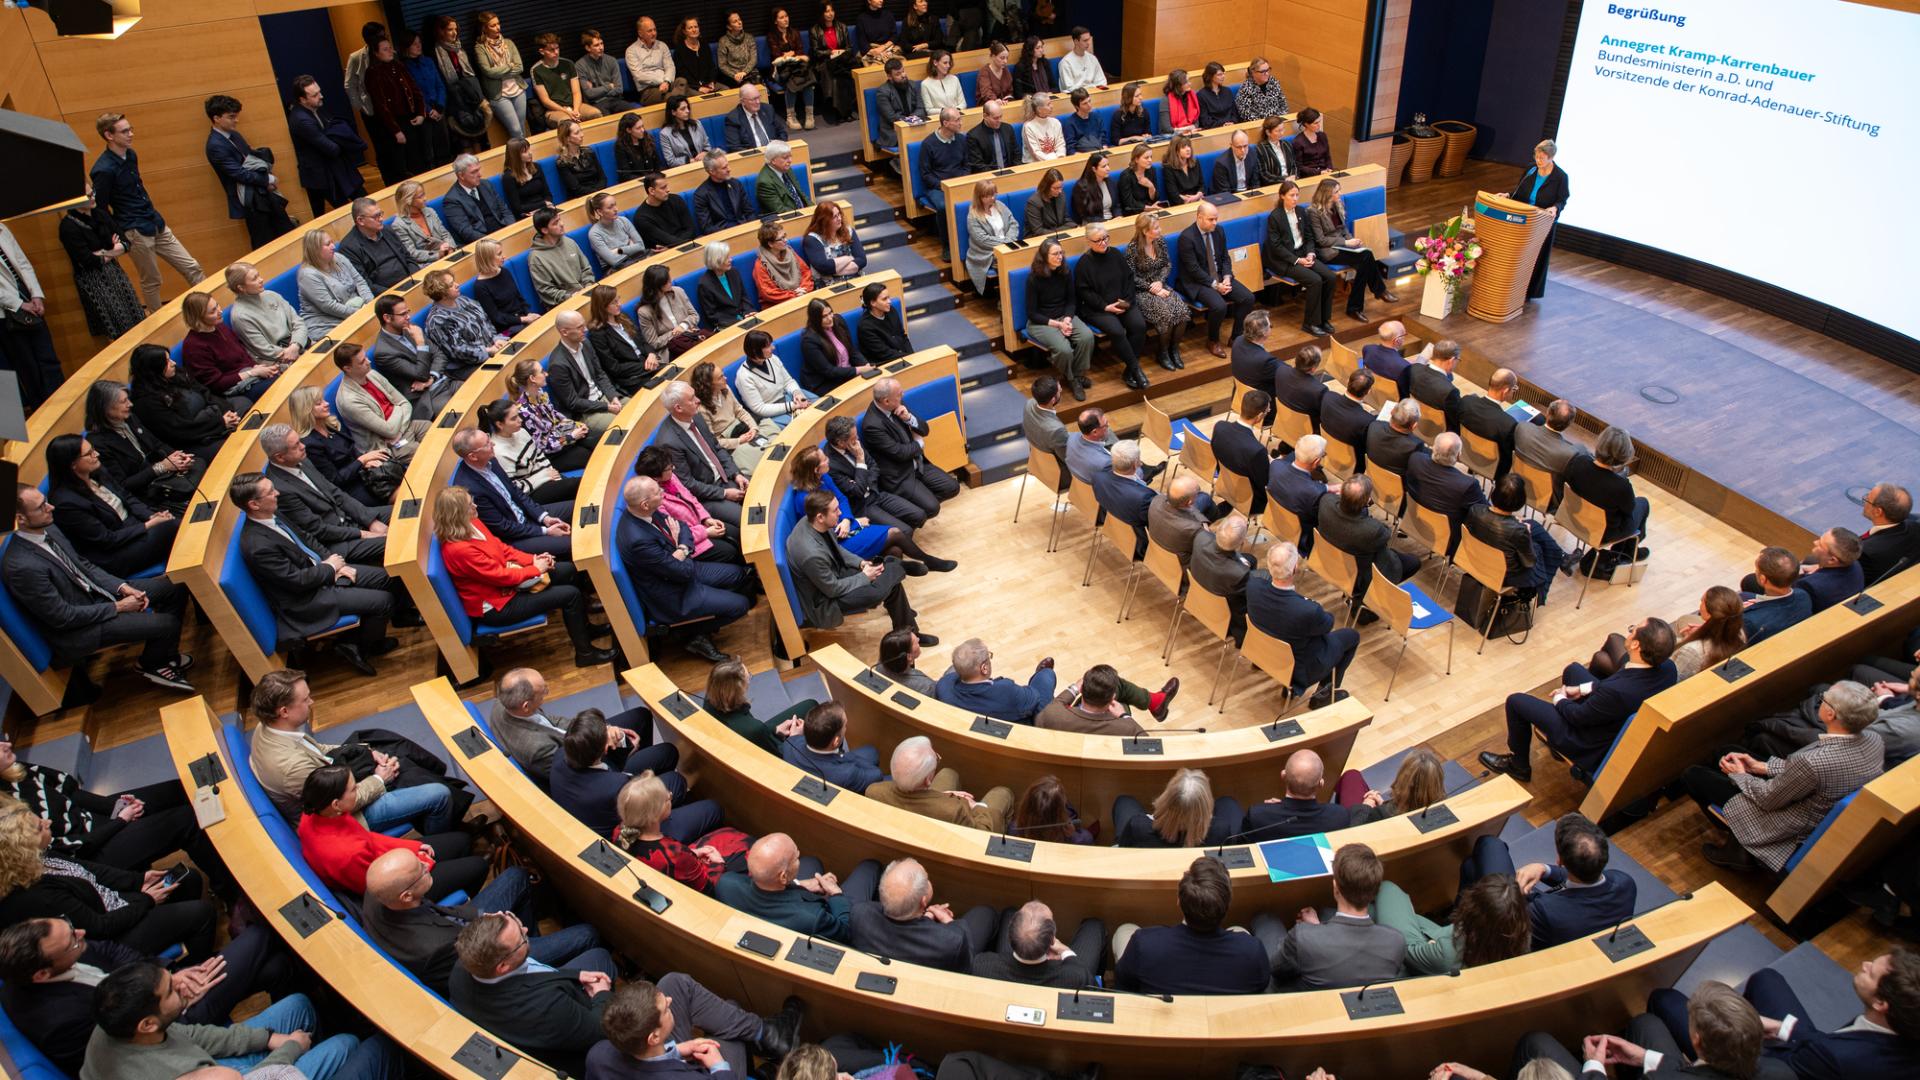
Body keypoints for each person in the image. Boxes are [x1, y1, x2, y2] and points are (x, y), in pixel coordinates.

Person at [0, 914, 288, 1077]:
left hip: (158, 992)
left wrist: (166, 975)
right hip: (172, 1021)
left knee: (276, 967)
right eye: (72, 941)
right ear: (42, 975)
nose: (82, 934)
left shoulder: (61, 947)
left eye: (71, 926)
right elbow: (136, 1043)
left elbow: (112, 950)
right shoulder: (60, 1021)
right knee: (262, 932)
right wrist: (175, 994)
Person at [1684, 680, 1886, 872]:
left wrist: (1740, 775)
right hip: (1809, 798)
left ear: (1830, 714)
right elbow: (1810, 773)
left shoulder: (1813, 762)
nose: (1820, 700)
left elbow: (1768, 798)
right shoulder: (1874, 739)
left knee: (1693, 775)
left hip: (1785, 821)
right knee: (1727, 751)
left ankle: (1740, 847)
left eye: (1823, 698)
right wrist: (1761, 767)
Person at [80, 961, 400, 1080]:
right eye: (172, 990)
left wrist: (267, 1038)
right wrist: (290, 1049)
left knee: (299, 1004)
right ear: (147, 1024)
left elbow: (194, 1036)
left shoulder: (114, 1021)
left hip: (210, 1065)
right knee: (346, 1045)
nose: (183, 984)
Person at [362, 846, 600, 997]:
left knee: (516, 876)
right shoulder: (435, 947)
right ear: (406, 896)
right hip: (490, 957)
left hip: (464, 924)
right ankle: (525, 948)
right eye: (421, 870)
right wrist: (503, 930)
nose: (427, 865)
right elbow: (483, 967)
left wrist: (487, 919)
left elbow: (441, 913)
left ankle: (528, 937)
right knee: (586, 934)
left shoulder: (377, 891)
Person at [245, 667, 459, 832]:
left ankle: (445, 797)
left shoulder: (268, 727)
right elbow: (341, 805)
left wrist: (366, 751)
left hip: (329, 784)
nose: (312, 701)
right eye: (305, 699)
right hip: (341, 819)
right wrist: (379, 779)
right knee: (438, 794)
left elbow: (316, 749)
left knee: (379, 743)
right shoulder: (291, 768)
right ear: (284, 711)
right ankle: (444, 845)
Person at [233, 472, 397, 676]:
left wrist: (335, 564)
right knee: (384, 602)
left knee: (386, 578)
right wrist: (328, 569)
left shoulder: (273, 514)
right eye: (270, 492)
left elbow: (307, 538)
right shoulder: (257, 546)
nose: (277, 493)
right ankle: (362, 647)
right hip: (307, 598)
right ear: (254, 504)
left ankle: (353, 640)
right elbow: (295, 581)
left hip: (321, 571)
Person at [0, 805, 214, 960]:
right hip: (112, 938)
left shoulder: (41, 855)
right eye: (40, 827)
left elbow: (90, 870)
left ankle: (179, 935)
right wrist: (146, 900)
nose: (48, 822)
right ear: (22, 849)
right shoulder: (38, 896)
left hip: (118, 903)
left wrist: (138, 880)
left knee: (189, 879)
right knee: (202, 913)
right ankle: (195, 968)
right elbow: (100, 927)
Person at [1481, 619, 1677, 784]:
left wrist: (1560, 698)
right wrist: (1580, 689)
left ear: (1636, 645)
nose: (1630, 631)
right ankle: (1554, 745)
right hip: (1611, 717)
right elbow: (1615, 684)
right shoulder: (1668, 668)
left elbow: (1578, 716)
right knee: (1573, 670)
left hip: (1585, 739)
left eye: (1633, 630)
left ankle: (1519, 765)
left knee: (1516, 702)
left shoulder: (1617, 691)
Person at [448, 911, 620, 1077]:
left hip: (547, 1001)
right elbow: (600, 1030)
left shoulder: (462, 968)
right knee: (601, 960)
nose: (525, 930)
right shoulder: (546, 1006)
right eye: (521, 939)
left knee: (597, 955)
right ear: (503, 966)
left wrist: (575, 975)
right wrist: (602, 993)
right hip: (577, 1044)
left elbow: (534, 974)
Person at [617, 476, 755, 663]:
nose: (663, 492)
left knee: (738, 574)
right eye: (658, 492)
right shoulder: (637, 540)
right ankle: (688, 634)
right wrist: (682, 548)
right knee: (741, 605)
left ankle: (704, 622)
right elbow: (682, 572)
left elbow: (682, 527)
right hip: (673, 593)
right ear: (645, 504)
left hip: (681, 570)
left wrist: (680, 549)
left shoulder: (648, 511)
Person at [297, 765, 477, 898]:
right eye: (353, 789)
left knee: (463, 840)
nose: (358, 789)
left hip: (384, 859)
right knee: (477, 866)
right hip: (399, 888)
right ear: (336, 804)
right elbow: (381, 891)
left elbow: (366, 837)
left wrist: (413, 847)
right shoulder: (347, 855)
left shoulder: (316, 814)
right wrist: (421, 865)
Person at [90, 112, 205, 313]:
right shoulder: (103, 170)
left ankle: (211, 308)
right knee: (152, 280)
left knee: (192, 267)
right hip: (135, 230)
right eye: (125, 131)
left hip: (154, 221)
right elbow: (100, 208)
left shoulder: (131, 155)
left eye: (131, 129)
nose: (131, 134)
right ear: (109, 135)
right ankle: (157, 320)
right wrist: (120, 234)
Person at [1254, 843, 1406, 991]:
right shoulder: (1396, 942)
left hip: (1305, 1000)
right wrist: (1317, 929)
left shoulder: (1302, 936)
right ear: (1375, 891)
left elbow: (1276, 970)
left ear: (1335, 888)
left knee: (1266, 922)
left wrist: (1312, 932)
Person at [589, 977, 805, 1080]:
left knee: (674, 983)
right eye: (665, 1008)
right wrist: (719, 1066)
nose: (670, 1001)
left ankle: (767, 1035)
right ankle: (767, 1042)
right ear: (654, 1037)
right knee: (731, 1018)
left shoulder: (597, 1054)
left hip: (662, 1059)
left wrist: (676, 1050)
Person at [1113, 856, 1271, 996]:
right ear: (1228, 904)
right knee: (1239, 930)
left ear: (1178, 901)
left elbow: (1124, 984)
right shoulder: (1252, 951)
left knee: (1125, 930)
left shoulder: (1144, 944)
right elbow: (1261, 985)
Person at [785, 489, 924, 639]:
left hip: (835, 573)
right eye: (835, 510)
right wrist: (865, 576)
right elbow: (832, 589)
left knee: (890, 581)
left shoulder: (813, 521)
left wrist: (861, 563)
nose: (840, 513)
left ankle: (911, 635)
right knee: (876, 593)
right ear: (820, 517)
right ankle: (897, 565)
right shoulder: (811, 555)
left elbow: (837, 549)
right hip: (824, 600)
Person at [44, 434, 177, 580]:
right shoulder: (65, 503)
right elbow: (106, 539)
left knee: (175, 518)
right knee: (173, 527)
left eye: (93, 449)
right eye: (89, 453)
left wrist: (151, 516)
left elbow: (127, 497)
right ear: (72, 464)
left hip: (134, 527)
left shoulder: (97, 471)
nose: (96, 454)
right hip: (116, 553)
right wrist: (149, 524)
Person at [258, 423, 389, 567]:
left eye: (299, 441)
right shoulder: (280, 489)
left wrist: (371, 521)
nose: (303, 446)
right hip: (338, 541)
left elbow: (336, 493)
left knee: (404, 512)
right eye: (296, 446)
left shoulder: (302, 459)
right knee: (391, 541)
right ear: (280, 457)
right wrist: (362, 533)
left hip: (349, 518)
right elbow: (318, 530)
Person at [1247, 541, 1358, 707]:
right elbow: (1328, 624)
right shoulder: (1308, 610)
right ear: (1295, 568)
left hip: (1260, 651)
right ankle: (1322, 696)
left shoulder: (1252, 586)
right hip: (1296, 669)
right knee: (1351, 636)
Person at [850, 857, 997, 973]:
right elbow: (966, 964)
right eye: (927, 879)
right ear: (923, 901)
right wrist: (948, 921)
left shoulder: (860, 915)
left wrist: (926, 918)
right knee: (985, 913)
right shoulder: (951, 941)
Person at [451, 426, 577, 559]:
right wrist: (545, 531)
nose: (493, 444)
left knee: (579, 507)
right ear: (473, 456)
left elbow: (516, 492)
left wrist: (544, 517)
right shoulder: (470, 489)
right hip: (515, 537)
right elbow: (503, 527)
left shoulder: (490, 460)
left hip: (526, 516)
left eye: (488, 438)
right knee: (573, 543)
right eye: (487, 444)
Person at [1373, 871, 1529, 977]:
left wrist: (1433, 947)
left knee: (1385, 890)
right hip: (1450, 952)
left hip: (1425, 961)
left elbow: (1407, 950)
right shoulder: (1521, 937)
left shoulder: (1449, 953)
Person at [83, 380, 202, 516]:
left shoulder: (129, 418)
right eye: (124, 401)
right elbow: (122, 485)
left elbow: (156, 444)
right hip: (145, 496)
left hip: (163, 479)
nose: (130, 404)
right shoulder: (98, 443)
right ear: (106, 407)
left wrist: (177, 456)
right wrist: (161, 467)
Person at [659, 379, 751, 530]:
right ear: (678, 408)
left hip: (726, 478)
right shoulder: (668, 442)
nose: (698, 400)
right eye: (692, 399)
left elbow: (716, 448)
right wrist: (724, 493)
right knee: (748, 519)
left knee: (760, 492)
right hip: (707, 495)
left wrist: (735, 474)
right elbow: (688, 484)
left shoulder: (696, 416)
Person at [1318, 474, 1417, 615]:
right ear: (1367, 500)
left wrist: (1363, 507)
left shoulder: (1325, 502)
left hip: (1331, 560)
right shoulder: (1372, 531)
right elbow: (1386, 534)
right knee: (1414, 563)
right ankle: (1369, 599)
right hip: (1359, 571)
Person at [861, 376, 958, 518]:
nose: (903, 395)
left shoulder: (897, 403)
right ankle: (911, 512)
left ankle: (917, 505)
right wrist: (919, 444)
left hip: (918, 464)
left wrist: (909, 418)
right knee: (932, 508)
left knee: (952, 487)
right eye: (899, 394)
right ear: (886, 401)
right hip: (900, 475)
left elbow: (924, 430)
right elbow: (900, 453)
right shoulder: (872, 425)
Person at [203, 95, 293, 249]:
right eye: (231, 117)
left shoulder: (234, 135)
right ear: (216, 118)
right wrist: (267, 179)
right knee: (264, 242)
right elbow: (239, 173)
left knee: (286, 233)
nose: (236, 120)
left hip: (264, 193)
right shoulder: (215, 146)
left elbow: (250, 159)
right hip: (251, 200)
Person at [59, 185, 146, 343]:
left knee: (136, 316)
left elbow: (126, 244)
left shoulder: (100, 214)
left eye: (93, 192)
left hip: (114, 272)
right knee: (117, 323)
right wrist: (112, 249)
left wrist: (103, 252)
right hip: (93, 280)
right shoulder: (68, 226)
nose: (93, 197)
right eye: (88, 196)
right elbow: (88, 260)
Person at [867, 736, 1011, 830]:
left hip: (920, 813)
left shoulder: (873, 791)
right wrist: (975, 806)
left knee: (948, 773)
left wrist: (940, 795)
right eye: (936, 758)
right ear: (928, 781)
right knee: (1003, 792)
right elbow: (983, 834)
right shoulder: (955, 811)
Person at [128, 343, 239, 462]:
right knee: (233, 448)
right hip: (192, 442)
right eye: (167, 362)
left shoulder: (175, 374)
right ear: (154, 369)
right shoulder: (146, 402)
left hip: (211, 419)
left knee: (242, 405)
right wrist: (220, 423)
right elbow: (179, 431)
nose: (173, 363)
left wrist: (224, 413)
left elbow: (204, 392)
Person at [1467, 474, 1567, 606]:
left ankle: (1562, 556)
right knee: (1538, 547)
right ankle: (1557, 562)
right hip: (1505, 574)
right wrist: (1527, 534)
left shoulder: (1475, 510)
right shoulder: (1519, 531)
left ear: (1495, 493)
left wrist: (1519, 526)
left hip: (1474, 558)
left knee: (1534, 526)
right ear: (1520, 501)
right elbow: (1530, 562)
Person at [1565, 425, 1651, 576]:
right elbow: (1629, 511)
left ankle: (1625, 551)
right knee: (1642, 503)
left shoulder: (1579, 461)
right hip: (1602, 532)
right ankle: (1626, 552)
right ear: (1624, 455)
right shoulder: (1621, 486)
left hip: (1572, 516)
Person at [1306, 178, 1396, 318]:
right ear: (1327, 194)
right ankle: (1377, 292)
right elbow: (1321, 240)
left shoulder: (1337, 205)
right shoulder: (1313, 212)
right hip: (1327, 251)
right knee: (1366, 257)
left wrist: (1352, 241)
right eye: (1337, 191)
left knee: (1365, 261)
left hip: (1342, 246)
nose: (1340, 194)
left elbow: (1343, 229)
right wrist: (1346, 243)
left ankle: (1357, 307)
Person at [971, 899, 1106, 990]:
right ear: (1052, 940)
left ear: (1009, 936)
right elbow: (1093, 986)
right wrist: (1065, 951)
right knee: (1094, 925)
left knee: (1009, 912)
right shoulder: (1077, 977)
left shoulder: (981, 965)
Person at [1181, 200, 1256, 358]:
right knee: (1219, 306)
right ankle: (1213, 340)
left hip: (1220, 277)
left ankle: (1236, 337)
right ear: (1199, 217)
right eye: (1211, 219)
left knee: (1248, 298)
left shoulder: (1219, 231)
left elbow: (1225, 258)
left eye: (1216, 218)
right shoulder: (1187, 237)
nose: (1215, 222)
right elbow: (1193, 269)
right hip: (1198, 282)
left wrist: (1227, 277)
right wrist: (1216, 285)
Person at [286, 76, 367, 220]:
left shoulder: (316, 108)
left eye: (319, 92)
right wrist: (343, 140)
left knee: (362, 201)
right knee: (343, 213)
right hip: (322, 175)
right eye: (315, 95)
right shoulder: (302, 120)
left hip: (334, 167)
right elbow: (331, 148)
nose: (321, 96)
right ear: (302, 99)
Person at [292, 386, 390, 505]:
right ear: (306, 410)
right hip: (351, 489)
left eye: (323, 400)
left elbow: (351, 450)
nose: (326, 404)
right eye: (319, 403)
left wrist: (366, 462)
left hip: (362, 474)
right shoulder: (310, 444)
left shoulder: (329, 426)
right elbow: (335, 480)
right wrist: (362, 461)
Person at [1264, 180, 1338, 336]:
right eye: (1292, 195)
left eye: (1297, 195)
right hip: (1286, 260)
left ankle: (1324, 319)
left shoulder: (1301, 212)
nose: (1295, 198)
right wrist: (1297, 260)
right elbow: (1276, 247)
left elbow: (1309, 237)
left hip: (1303, 254)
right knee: (1315, 280)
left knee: (1330, 277)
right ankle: (1310, 323)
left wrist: (1311, 253)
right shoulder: (1275, 217)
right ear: (1282, 196)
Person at [1023, 238, 1095, 397]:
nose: (1060, 257)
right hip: (1041, 322)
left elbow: (1071, 301)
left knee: (1087, 337)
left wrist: (1067, 319)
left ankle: (1077, 375)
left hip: (1064, 316)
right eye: (1055, 254)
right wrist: (1058, 325)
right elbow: (1032, 313)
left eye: (1061, 253)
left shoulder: (1065, 272)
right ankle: (1072, 379)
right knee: (1064, 350)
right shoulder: (1033, 279)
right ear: (1044, 256)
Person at [178, 291, 277, 405]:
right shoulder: (194, 347)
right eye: (212, 311)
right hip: (232, 389)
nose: (220, 311)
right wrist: (252, 372)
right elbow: (216, 384)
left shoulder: (219, 326)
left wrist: (255, 366)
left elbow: (242, 352)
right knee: (276, 387)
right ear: (198, 318)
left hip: (249, 375)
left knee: (282, 375)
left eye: (217, 305)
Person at [934, 639, 1057, 725]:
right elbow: (1035, 698)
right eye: (989, 656)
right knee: (1046, 676)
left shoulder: (943, 685)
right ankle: (1041, 673)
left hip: (977, 728)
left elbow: (951, 677)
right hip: (1018, 728)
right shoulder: (1005, 690)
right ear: (984, 668)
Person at [1127, 210, 1192, 371]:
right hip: (1143, 291)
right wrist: (1151, 288)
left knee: (1182, 312)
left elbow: (1167, 264)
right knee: (1166, 315)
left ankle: (1174, 349)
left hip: (1160, 285)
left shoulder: (1160, 242)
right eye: (1156, 228)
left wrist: (1159, 282)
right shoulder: (1132, 249)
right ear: (1145, 231)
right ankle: (1162, 353)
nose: (1160, 230)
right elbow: (1131, 277)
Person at [1112, 767, 1241, 848]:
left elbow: (1123, 849)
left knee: (1124, 802)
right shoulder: (1221, 830)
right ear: (1206, 806)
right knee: (1227, 803)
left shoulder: (1138, 826)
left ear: (1166, 797)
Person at [368, 293, 449, 417]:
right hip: (428, 398)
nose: (408, 317)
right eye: (403, 314)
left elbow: (439, 355)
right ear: (387, 318)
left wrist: (432, 376)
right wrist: (420, 343)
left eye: (408, 312)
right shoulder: (384, 352)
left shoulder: (408, 328)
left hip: (443, 380)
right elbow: (421, 375)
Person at [1409, 433, 1488, 558]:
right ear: (1459, 456)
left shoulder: (1415, 460)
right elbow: (1485, 512)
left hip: (1414, 521)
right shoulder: (1467, 485)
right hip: (1448, 538)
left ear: (1433, 448)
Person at [780, 701, 885, 792]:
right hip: (840, 785)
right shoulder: (847, 774)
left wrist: (795, 736)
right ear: (835, 741)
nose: (846, 727)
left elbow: (793, 740)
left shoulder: (790, 744)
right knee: (872, 755)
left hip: (817, 773)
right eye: (845, 725)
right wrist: (846, 757)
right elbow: (877, 774)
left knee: (871, 751)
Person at [1510, 139, 1569, 300]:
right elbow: (1519, 191)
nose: (1538, 161)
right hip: (1523, 217)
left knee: (1535, 258)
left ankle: (1528, 292)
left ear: (1551, 157)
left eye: (1542, 158)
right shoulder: (1531, 170)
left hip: (1542, 222)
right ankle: (1512, 288)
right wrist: (1507, 195)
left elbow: (1562, 199)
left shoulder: (1560, 177)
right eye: (1536, 157)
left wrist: (1555, 208)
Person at [365, 34, 431, 177]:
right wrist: (396, 130)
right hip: (393, 123)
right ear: (376, 53)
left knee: (419, 159)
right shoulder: (373, 73)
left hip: (410, 118)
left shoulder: (398, 65)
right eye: (385, 49)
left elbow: (415, 90)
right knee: (402, 165)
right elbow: (381, 105)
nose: (390, 51)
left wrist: (421, 113)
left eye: (390, 48)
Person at [1193, 513, 1258, 646]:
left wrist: (1239, 558)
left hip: (1199, 591)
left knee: (1250, 559)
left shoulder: (1200, 538)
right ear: (1241, 542)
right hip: (1222, 610)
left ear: (1218, 530)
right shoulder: (1239, 574)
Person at [296, 229, 373, 339]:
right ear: (315, 250)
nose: (333, 246)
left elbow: (359, 281)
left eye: (332, 242)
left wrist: (370, 303)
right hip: (327, 323)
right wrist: (360, 313)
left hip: (355, 311)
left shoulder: (339, 258)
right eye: (328, 244)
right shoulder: (307, 275)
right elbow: (328, 306)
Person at [1457, 367, 1525, 480]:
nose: (1513, 392)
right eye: (1514, 389)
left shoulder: (1466, 401)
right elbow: (1510, 451)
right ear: (1505, 391)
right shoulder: (1508, 423)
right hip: (1493, 467)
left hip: (1468, 453)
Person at [1094, 439, 1157, 559]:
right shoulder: (1143, 498)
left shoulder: (1098, 478)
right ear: (1136, 464)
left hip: (1114, 530)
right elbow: (1154, 524)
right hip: (1138, 546)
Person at [1514, 397, 1580, 507]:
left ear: (1547, 413)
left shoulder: (1523, 427)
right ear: (1569, 424)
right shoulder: (1569, 454)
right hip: (1546, 500)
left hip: (1515, 483)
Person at [441, 153, 513, 247]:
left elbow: (505, 210)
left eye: (478, 170)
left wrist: (512, 229)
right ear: (461, 175)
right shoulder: (452, 200)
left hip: (504, 232)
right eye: (474, 172)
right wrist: (492, 242)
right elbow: (466, 232)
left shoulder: (486, 184)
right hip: (483, 244)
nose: (480, 175)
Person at [388, 180, 456, 270]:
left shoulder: (429, 211)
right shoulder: (399, 225)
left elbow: (445, 234)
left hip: (447, 253)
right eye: (420, 196)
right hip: (427, 264)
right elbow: (412, 253)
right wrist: (438, 254)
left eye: (424, 194)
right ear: (408, 201)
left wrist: (450, 248)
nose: (425, 198)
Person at [767, 9, 816, 130]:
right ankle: (791, 117)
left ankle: (810, 115)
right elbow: (776, 54)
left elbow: (800, 50)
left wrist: (790, 54)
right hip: (780, 69)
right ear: (775, 21)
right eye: (781, 17)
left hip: (796, 66)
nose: (785, 19)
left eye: (786, 16)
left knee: (807, 80)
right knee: (790, 79)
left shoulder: (795, 33)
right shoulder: (772, 36)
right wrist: (791, 53)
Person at [802, 202, 867, 288]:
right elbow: (825, 267)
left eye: (839, 214)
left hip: (856, 280)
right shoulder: (812, 240)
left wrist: (835, 269)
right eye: (834, 217)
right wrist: (849, 258)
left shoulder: (848, 231)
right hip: (829, 287)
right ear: (824, 221)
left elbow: (862, 260)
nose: (839, 218)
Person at [752, 220, 814, 309]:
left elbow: (806, 273)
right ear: (770, 244)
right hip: (778, 306)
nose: (786, 240)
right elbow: (769, 293)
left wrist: (804, 289)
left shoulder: (790, 252)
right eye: (781, 239)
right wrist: (794, 295)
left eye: (785, 236)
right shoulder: (761, 265)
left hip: (802, 294)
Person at [920, 108, 971, 215]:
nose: (961, 123)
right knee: (944, 206)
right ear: (946, 123)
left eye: (960, 119)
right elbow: (926, 174)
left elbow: (967, 165)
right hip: (938, 188)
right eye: (957, 120)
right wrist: (943, 186)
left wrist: (961, 180)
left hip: (959, 183)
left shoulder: (961, 139)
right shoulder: (928, 144)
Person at [694, 151, 755, 237]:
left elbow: (749, 212)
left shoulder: (735, 184)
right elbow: (707, 227)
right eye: (724, 168)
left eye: (728, 165)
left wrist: (751, 228)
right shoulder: (701, 194)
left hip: (744, 228)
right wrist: (729, 234)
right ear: (712, 171)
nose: (729, 169)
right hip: (723, 235)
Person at [624, 15, 680, 105]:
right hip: (648, 91)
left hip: (667, 84)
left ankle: (677, 99)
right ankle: (678, 99)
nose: (654, 33)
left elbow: (670, 67)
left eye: (654, 30)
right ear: (640, 33)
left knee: (681, 82)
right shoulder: (631, 51)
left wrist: (667, 81)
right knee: (676, 97)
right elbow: (639, 76)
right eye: (649, 31)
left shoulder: (662, 46)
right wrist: (662, 81)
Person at [574, 29, 630, 116]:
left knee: (634, 114)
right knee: (605, 117)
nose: (601, 48)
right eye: (596, 45)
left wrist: (597, 91)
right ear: (588, 48)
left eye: (601, 43)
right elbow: (589, 94)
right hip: (596, 104)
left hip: (615, 100)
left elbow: (619, 89)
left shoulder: (611, 60)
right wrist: (609, 86)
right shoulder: (580, 65)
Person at [1366, 398, 1424, 480]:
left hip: (1373, 474)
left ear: (1391, 412)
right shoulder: (1415, 445)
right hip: (1396, 483)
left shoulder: (1374, 426)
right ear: (1414, 426)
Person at [552, 120, 608, 201]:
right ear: (567, 138)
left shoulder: (589, 151)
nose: (582, 135)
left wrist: (599, 193)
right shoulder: (562, 162)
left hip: (599, 195)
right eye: (577, 133)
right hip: (580, 199)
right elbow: (576, 189)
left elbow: (603, 178)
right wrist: (596, 193)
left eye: (581, 131)